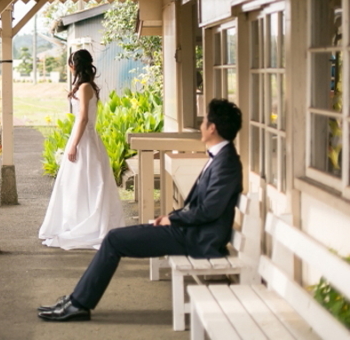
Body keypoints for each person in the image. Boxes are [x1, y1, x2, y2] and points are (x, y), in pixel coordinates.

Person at [37, 98, 243, 322]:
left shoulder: (226, 162)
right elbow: (204, 208)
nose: (201, 125)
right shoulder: (222, 158)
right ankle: (77, 300)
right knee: (115, 238)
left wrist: (172, 220)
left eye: (204, 122)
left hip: (199, 239)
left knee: (114, 239)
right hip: (190, 231)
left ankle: (78, 304)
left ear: (212, 128)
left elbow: (208, 210)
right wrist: (171, 217)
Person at [38, 49, 124, 250]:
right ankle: (77, 221)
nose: (69, 67)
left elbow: (83, 117)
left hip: (85, 140)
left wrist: (74, 144)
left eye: (70, 63)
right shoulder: (84, 86)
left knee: (87, 182)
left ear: (74, 65)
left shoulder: (85, 87)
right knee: (77, 183)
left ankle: (86, 226)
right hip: (83, 138)